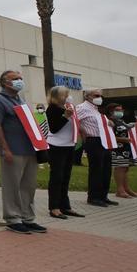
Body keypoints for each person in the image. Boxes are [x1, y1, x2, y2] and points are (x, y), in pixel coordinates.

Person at [0, 70, 47, 235]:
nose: (20, 81)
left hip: (29, 149)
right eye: (16, 79)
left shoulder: (21, 100)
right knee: (12, 185)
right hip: (13, 150)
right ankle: (13, 218)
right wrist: (5, 148)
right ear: (5, 82)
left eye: (21, 78)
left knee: (28, 186)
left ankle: (28, 218)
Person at [45, 86, 84, 219]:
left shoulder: (68, 108)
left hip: (69, 145)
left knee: (66, 177)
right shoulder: (52, 109)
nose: (68, 97)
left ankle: (65, 206)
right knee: (57, 177)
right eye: (65, 94)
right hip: (57, 146)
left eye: (68, 94)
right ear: (56, 97)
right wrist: (65, 117)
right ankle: (54, 207)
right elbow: (54, 129)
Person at [75, 88, 118, 207]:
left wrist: (109, 123)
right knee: (96, 169)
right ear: (88, 96)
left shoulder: (96, 109)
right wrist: (82, 131)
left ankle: (103, 196)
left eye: (100, 96)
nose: (99, 98)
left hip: (104, 140)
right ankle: (94, 197)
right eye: (96, 95)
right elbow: (73, 120)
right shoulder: (82, 108)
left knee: (106, 169)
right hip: (93, 140)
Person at [108, 104, 137, 198]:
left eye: (121, 110)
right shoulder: (110, 121)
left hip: (126, 148)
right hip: (117, 149)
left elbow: (127, 132)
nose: (120, 112)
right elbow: (108, 136)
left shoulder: (121, 121)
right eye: (117, 110)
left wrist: (136, 134)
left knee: (125, 168)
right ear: (111, 111)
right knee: (120, 168)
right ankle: (120, 190)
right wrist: (123, 140)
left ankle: (127, 189)